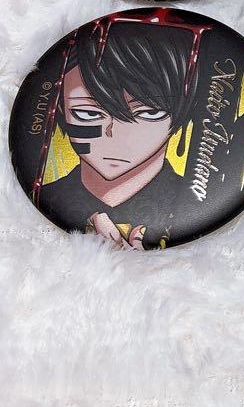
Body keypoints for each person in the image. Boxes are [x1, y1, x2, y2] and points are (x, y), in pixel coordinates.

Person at [39, 19, 199, 248]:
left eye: (149, 113)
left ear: (180, 113)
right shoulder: (47, 198)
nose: (115, 135)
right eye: (88, 113)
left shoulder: (196, 204)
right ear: (62, 111)